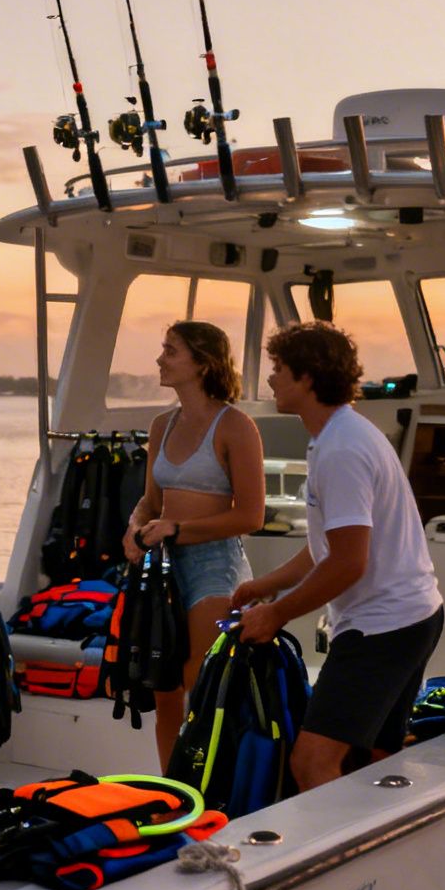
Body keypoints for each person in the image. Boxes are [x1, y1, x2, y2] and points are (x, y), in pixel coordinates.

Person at [231, 321, 443, 792]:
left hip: (383, 627)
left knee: (311, 763)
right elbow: (324, 548)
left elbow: (349, 562)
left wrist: (277, 614)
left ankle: (339, 861)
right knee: (374, 757)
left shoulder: (342, 449)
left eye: (278, 369)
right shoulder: (336, 436)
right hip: (413, 615)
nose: (271, 380)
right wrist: (264, 587)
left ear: (308, 377)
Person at [123, 320, 265, 765]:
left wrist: (178, 530)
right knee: (164, 690)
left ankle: (206, 788)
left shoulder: (236, 426)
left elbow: (251, 516)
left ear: (202, 363)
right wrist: (134, 527)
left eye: (171, 351)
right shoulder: (161, 425)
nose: (160, 359)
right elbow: (152, 501)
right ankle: (173, 795)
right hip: (166, 568)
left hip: (214, 565)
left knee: (196, 688)